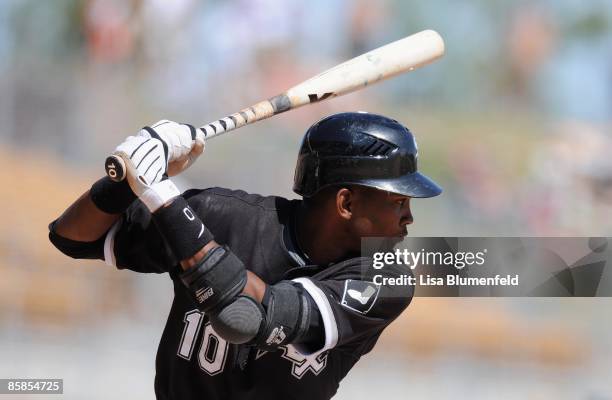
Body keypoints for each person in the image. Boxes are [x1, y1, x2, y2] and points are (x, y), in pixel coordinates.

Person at [49, 112, 442, 400]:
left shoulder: (388, 279)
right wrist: (126, 181)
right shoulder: (222, 216)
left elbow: (246, 316)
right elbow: (73, 238)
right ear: (346, 202)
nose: (409, 216)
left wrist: (161, 195)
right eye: (398, 201)